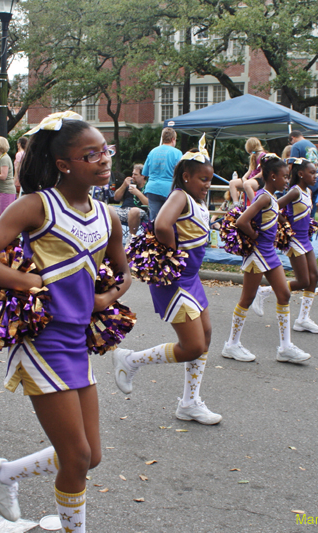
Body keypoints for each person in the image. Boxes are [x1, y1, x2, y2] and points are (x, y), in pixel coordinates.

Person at [0, 111, 131, 533]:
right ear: (64, 164)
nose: (104, 160)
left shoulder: (109, 216)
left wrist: (105, 297)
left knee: (92, 456)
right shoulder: (36, 205)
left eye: (105, 151)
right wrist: (32, 281)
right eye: (92, 154)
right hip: (41, 341)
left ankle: (5, 473)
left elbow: (124, 275)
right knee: (77, 458)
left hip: (77, 342)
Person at [112, 138, 222, 425]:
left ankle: (189, 402)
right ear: (186, 176)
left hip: (191, 279)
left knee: (206, 335)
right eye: (202, 179)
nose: (207, 185)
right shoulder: (180, 196)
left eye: (210, 180)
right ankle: (130, 360)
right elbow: (161, 224)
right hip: (175, 280)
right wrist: (171, 256)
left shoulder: (195, 200)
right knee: (193, 346)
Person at [223, 155, 311, 363]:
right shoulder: (263, 197)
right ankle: (231, 345)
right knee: (246, 299)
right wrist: (255, 237)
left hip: (269, 254)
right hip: (257, 255)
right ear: (272, 176)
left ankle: (285, 347)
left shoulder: (270, 198)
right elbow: (243, 221)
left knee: (284, 295)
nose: (287, 181)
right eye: (284, 177)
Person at [250, 159, 318, 334]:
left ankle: (303, 319)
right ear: (301, 174)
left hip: (305, 240)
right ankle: (265, 291)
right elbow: (275, 208)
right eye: (312, 173)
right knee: (304, 281)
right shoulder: (294, 191)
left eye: (316, 173)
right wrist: (285, 225)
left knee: (314, 276)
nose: (316, 176)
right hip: (295, 240)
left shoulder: (308, 191)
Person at [141, 127, 182, 220]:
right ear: (173, 139)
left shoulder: (152, 151)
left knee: (154, 219)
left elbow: (145, 172)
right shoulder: (177, 153)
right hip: (169, 189)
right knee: (169, 219)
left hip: (152, 188)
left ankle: (154, 234)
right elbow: (181, 173)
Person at [112, 163, 148, 235]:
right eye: (132, 174)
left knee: (134, 211)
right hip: (124, 210)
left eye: (135, 175)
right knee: (108, 209)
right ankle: (113, 236)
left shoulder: (148, 187)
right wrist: (124, 185)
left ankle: (132, 237)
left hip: (139, 212)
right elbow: (116, 198)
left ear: (143, 176)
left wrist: (137, 193)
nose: (132, 176)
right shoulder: (129, 184)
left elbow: (148, 203)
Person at [228, 137, 264, 205]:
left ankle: (254, 204)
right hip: (250, 178)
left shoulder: (262, 156)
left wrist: (251, 179)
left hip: (258, 180)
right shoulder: (253, 156)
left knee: (247, 184)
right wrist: (244, 178)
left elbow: (262, 172)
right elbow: (250, 171)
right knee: (232, 183)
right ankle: (236, 204)